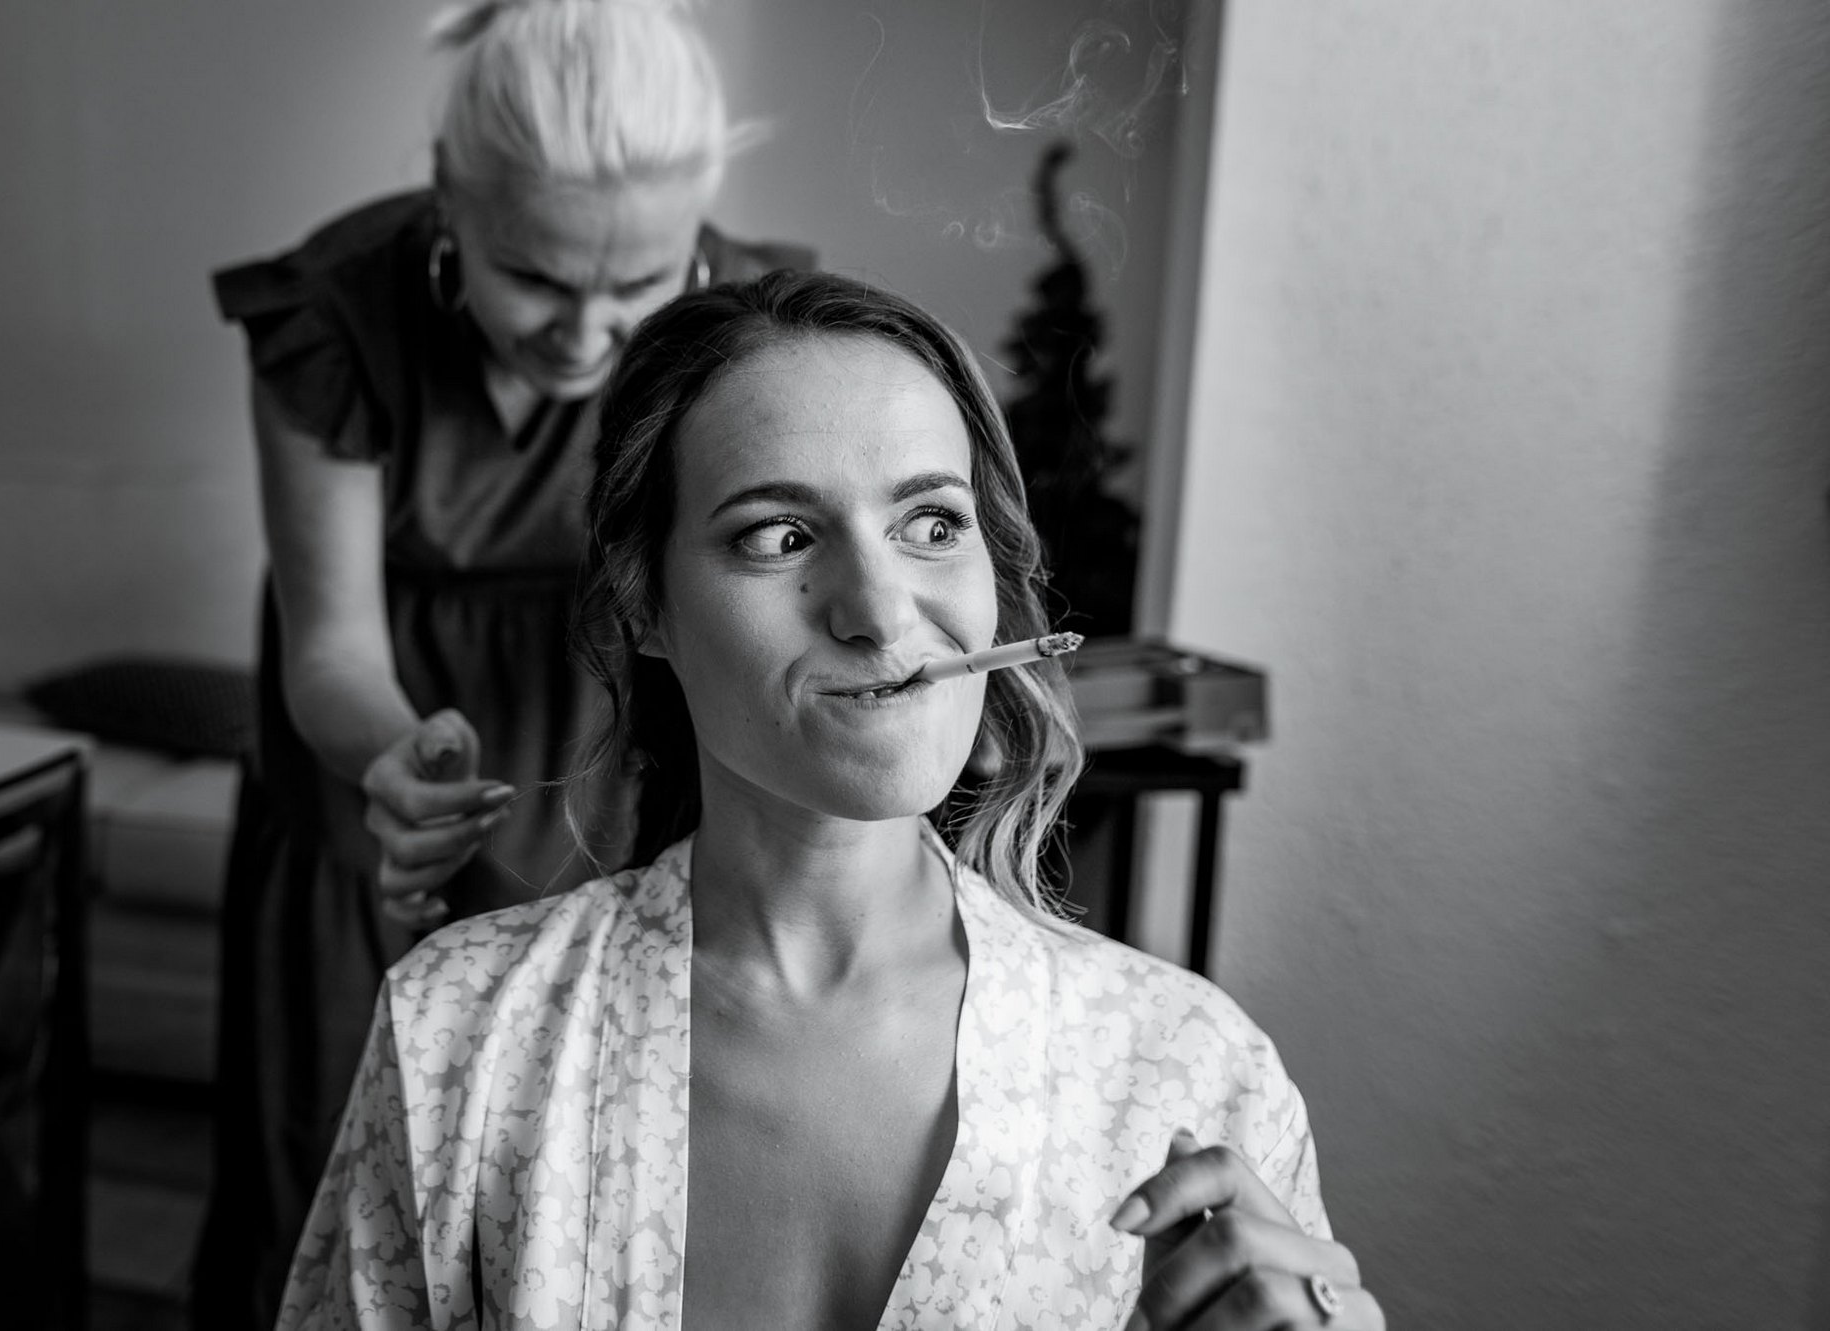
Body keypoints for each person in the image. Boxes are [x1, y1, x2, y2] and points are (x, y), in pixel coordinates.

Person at [276, 271, 1385, 1329]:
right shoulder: (457, 1036)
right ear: (641, 602)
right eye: (780, 535)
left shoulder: (1190, 1069)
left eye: (931, 523)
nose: (879, 613)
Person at [189, 4, 812, 1326]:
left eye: (640, 284)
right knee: (331, 1158)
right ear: (446, 201)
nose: (589, 336)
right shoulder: (333, 314)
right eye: (533, 276)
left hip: (620, 768)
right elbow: (333, 646)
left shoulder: (749, 317)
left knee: (578, 1170)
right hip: (381, 772)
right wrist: (398, 759)